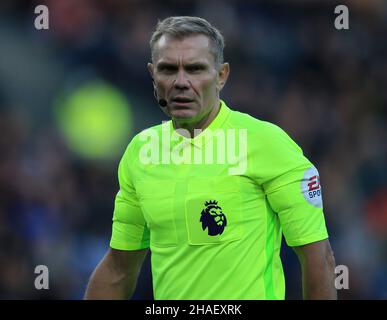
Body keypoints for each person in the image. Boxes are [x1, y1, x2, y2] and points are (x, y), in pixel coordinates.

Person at [84, 16, 337, 300]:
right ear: (153, 75)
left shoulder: (267, 144)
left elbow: (319, 258)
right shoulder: (141, 153)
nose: (181, 82)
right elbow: (119, 268)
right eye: (168, 69)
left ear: (221, 75)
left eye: (195, 69)